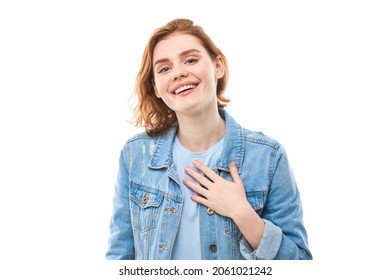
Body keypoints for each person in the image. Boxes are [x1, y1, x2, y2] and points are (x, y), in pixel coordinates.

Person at [106, 18, 312, 260]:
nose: (179, 73)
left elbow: (300, 263)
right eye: (164, 69)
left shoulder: (267, 157)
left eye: (191, 60)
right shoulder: (136, 155)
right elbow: (119, 260)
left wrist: (243, 214)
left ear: (218, 66)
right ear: (156, 87)